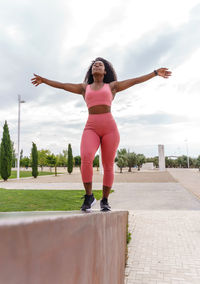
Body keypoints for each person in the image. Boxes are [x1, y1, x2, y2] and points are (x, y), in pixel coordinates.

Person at [31, 57, 172, 212]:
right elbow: (63, 86)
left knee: (107, 164)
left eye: (100, 65)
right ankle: (89, 196)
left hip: (109, 129)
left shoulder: (112, 86)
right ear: (92, 71)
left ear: (105, 72)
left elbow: (134, 81)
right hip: (91, 127)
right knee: (86, 158)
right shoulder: (84, 88)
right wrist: (44, 80)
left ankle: (105, 200)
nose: (97, 66)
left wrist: (154, 73)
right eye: (94, 65)